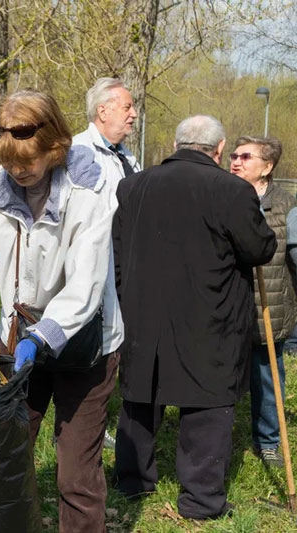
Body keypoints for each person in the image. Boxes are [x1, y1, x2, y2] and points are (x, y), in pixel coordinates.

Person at [0, 90, 118, 533]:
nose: (18, 170)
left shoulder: (90, 190)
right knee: (4, 455)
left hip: (85, 345)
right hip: (17, 340)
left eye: (28, 160)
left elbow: (86, 281)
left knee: (76, 473)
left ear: (54, 145)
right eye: (8, 162)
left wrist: (45, 335)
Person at [113, 115, 276, 520]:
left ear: (176, 143)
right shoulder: (232, 190)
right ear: (219, 149)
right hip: (209, 311)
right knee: (206, 400)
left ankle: (132, 481)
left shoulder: (133, 186)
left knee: (140, 394)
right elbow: (259, 248)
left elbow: (117, 250)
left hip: (143, 309)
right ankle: (201, 500)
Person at [73, 77, 140, 451]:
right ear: (103, 110)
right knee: (94, 353)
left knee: (116, 350)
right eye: (127, 107)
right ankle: (88, 428)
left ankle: (103, 421)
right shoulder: (80, 152)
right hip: (96, 269)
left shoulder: (126, 155)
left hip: (126, 268)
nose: (133, 114)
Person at [229, 136, 297, 467]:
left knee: (268, 376)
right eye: (233, 155)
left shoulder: (286, 205)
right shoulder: (222, 195)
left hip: (270, 308)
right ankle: (219, 439)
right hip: (228, 308)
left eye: (246, 156)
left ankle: (269, 441)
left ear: (267, 167)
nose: (236, 161)